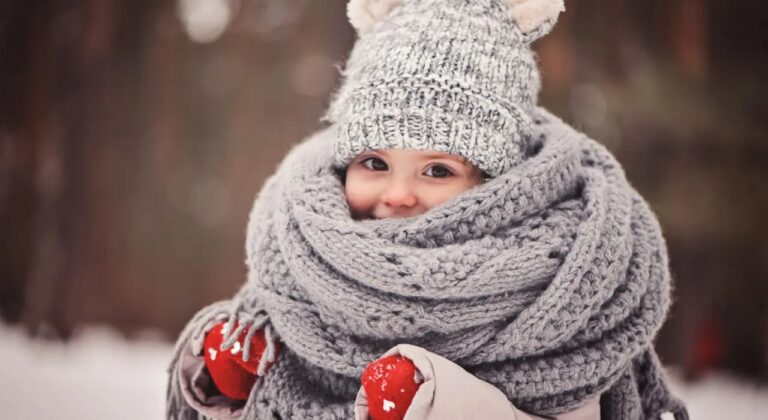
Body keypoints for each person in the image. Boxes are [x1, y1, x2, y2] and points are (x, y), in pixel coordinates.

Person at [166, 1, 690, 419]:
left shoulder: (565, 289)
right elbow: (268, 368)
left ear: (497, 184)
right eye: (374, 162)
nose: (397, 194)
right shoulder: (304, 259)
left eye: (437, 170)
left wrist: (435, 399)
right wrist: (227, 381)